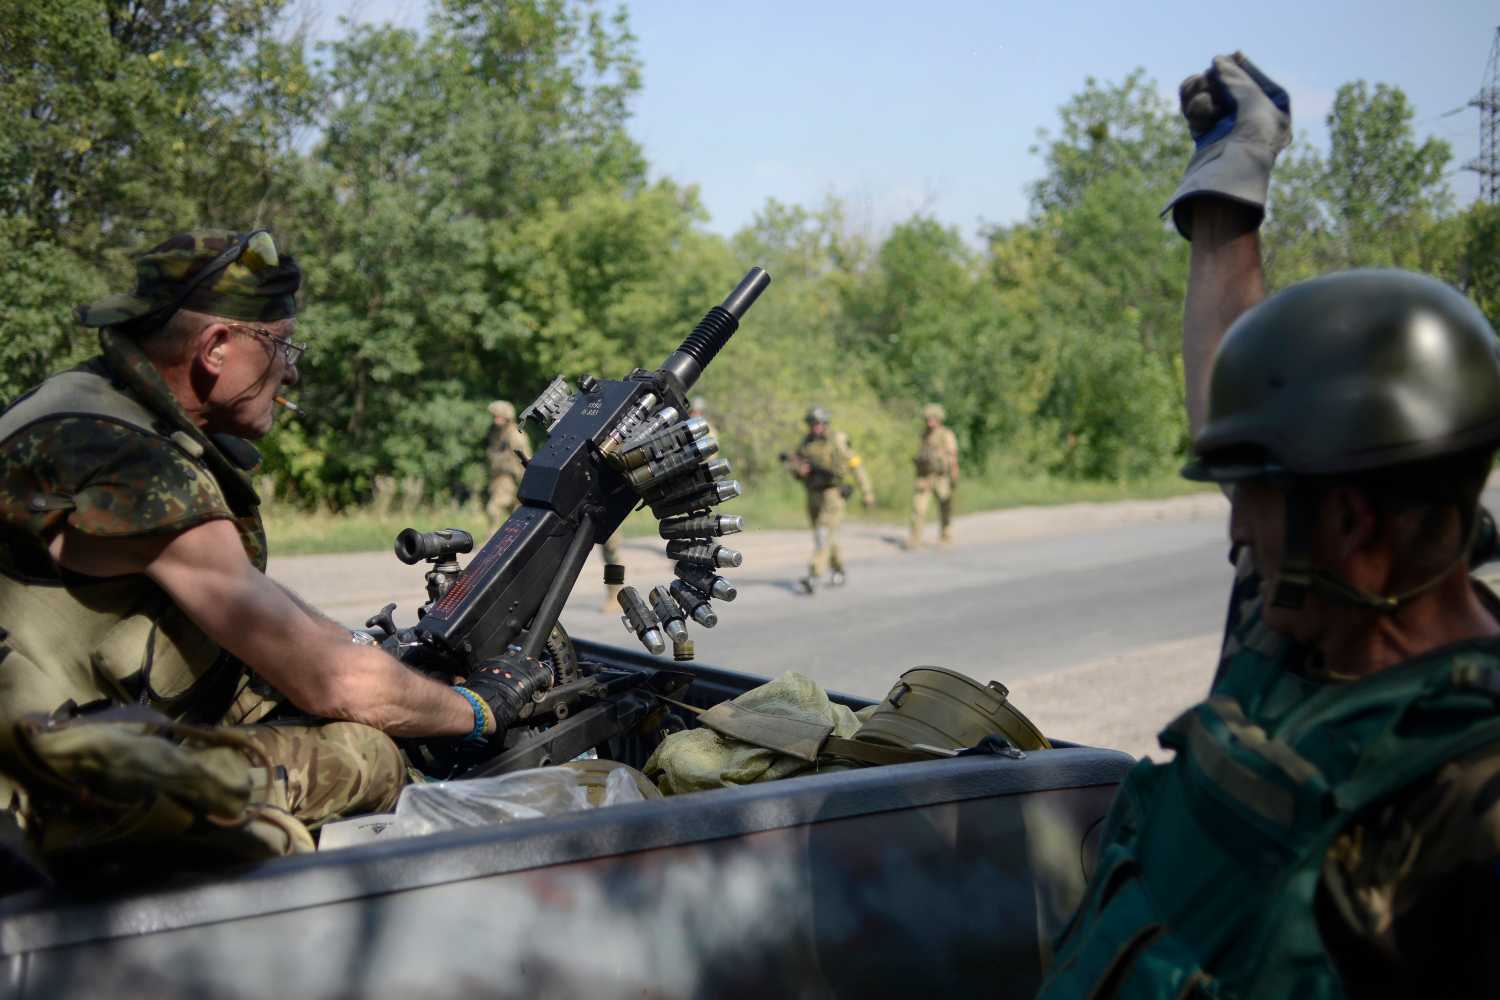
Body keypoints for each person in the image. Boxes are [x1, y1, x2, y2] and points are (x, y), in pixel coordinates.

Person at [1038, 55, 1500, 997]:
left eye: (1253, 494)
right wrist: (1226, 191)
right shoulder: (1306, 622)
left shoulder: (1473, 794)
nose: (1235, 530)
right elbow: (1235, 405)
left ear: (1352, 522)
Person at [0, 230, 550, 854]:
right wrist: (481, 707)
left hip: (50, 736)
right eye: (283, 346)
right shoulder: (137, 467)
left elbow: (248, 597)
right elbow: (331, 683)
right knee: (368, 755)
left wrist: (363, 650)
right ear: (215, 348)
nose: (291, 369)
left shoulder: (85, 405)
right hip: (37, 787)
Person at [786, 406, 874, 594]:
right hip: (813, 494)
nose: (815, 427)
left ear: (825, 423)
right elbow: (798, 468)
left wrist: (867, 492)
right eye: (812, 423)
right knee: (824, 536)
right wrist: (798, 469)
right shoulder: (806, 443)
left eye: (818, 423)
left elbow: (855, 465)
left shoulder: (837, 440)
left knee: (823, 534)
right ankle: (839, 570)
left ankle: (813, 576)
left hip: (833, 494)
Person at [905, 402, 959, 549]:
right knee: (918, 509)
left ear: (939, 418)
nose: (930, 421)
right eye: (928, 418)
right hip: (925, 477)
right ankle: (914, 539)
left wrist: (954, 476)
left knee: (945, 508)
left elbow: (953, 456)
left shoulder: (946, 434)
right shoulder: (923, 435)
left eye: (933, 418)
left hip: (941, 477)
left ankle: (945, 537)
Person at [484, 399, 532, 530]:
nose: (496, 420)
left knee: (494, 508)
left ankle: (491, 539)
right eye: (494, 416)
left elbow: (526, 460)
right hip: (498, 478)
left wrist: (525, 483)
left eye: (499, 417)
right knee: (514, 513)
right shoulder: (496, 433)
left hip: (511, 478)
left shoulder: (515, 435)